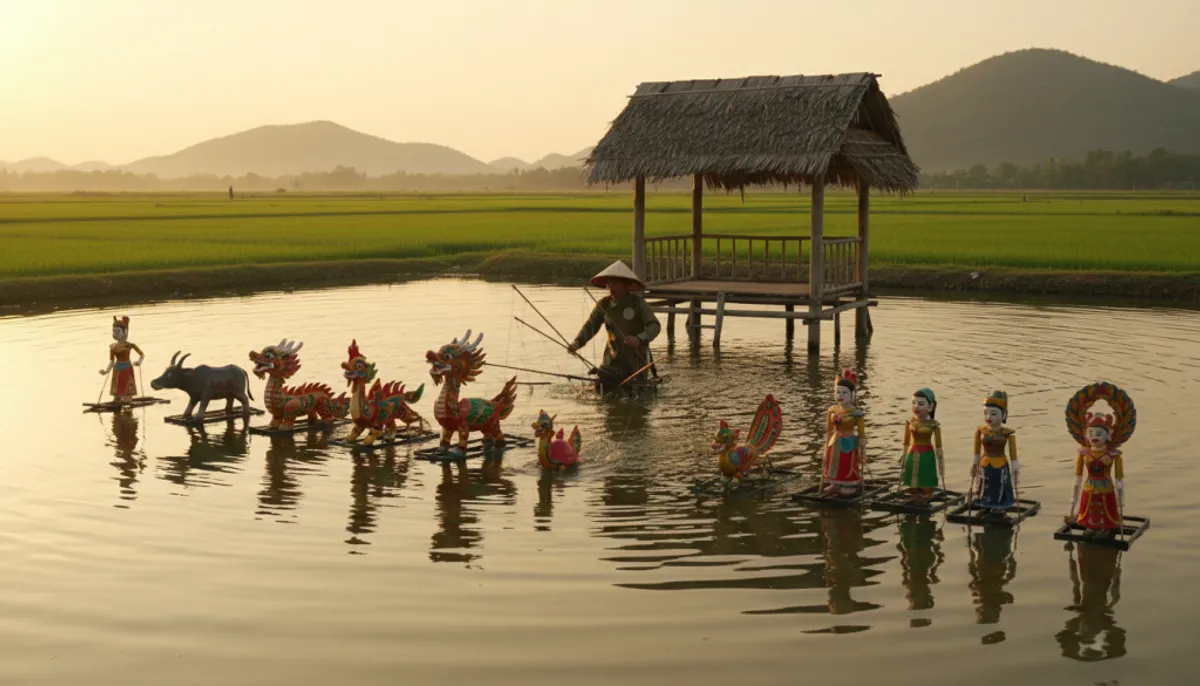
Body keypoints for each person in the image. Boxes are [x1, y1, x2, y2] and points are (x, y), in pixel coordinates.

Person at [566, 261, 660, 395]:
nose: (611, 287)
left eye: (615, 283)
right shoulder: (604, 304)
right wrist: (577, 343)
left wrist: (639, 339)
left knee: (633, 393)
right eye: (609, 283)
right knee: (601, 390)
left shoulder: (637, 302)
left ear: (626, 284)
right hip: (611, 359)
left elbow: (654, 326)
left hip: (634, 360)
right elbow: (591, 326)